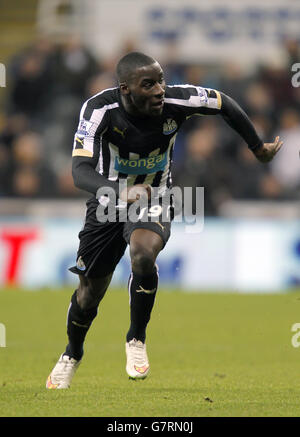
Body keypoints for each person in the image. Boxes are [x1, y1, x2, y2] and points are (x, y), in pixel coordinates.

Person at [46, 52, 283, 389]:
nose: (159, 90)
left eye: (161, 80)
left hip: (156, 195)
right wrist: (118, 192)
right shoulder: (99, 110)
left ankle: (136, 339)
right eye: (149, 84)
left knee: (143, 254)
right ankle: (72, 353)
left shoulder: (176, 99)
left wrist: (257, 147)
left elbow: (224, 103)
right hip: (108, 201)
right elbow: (79, 171)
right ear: (125, 89)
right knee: (88, 294)